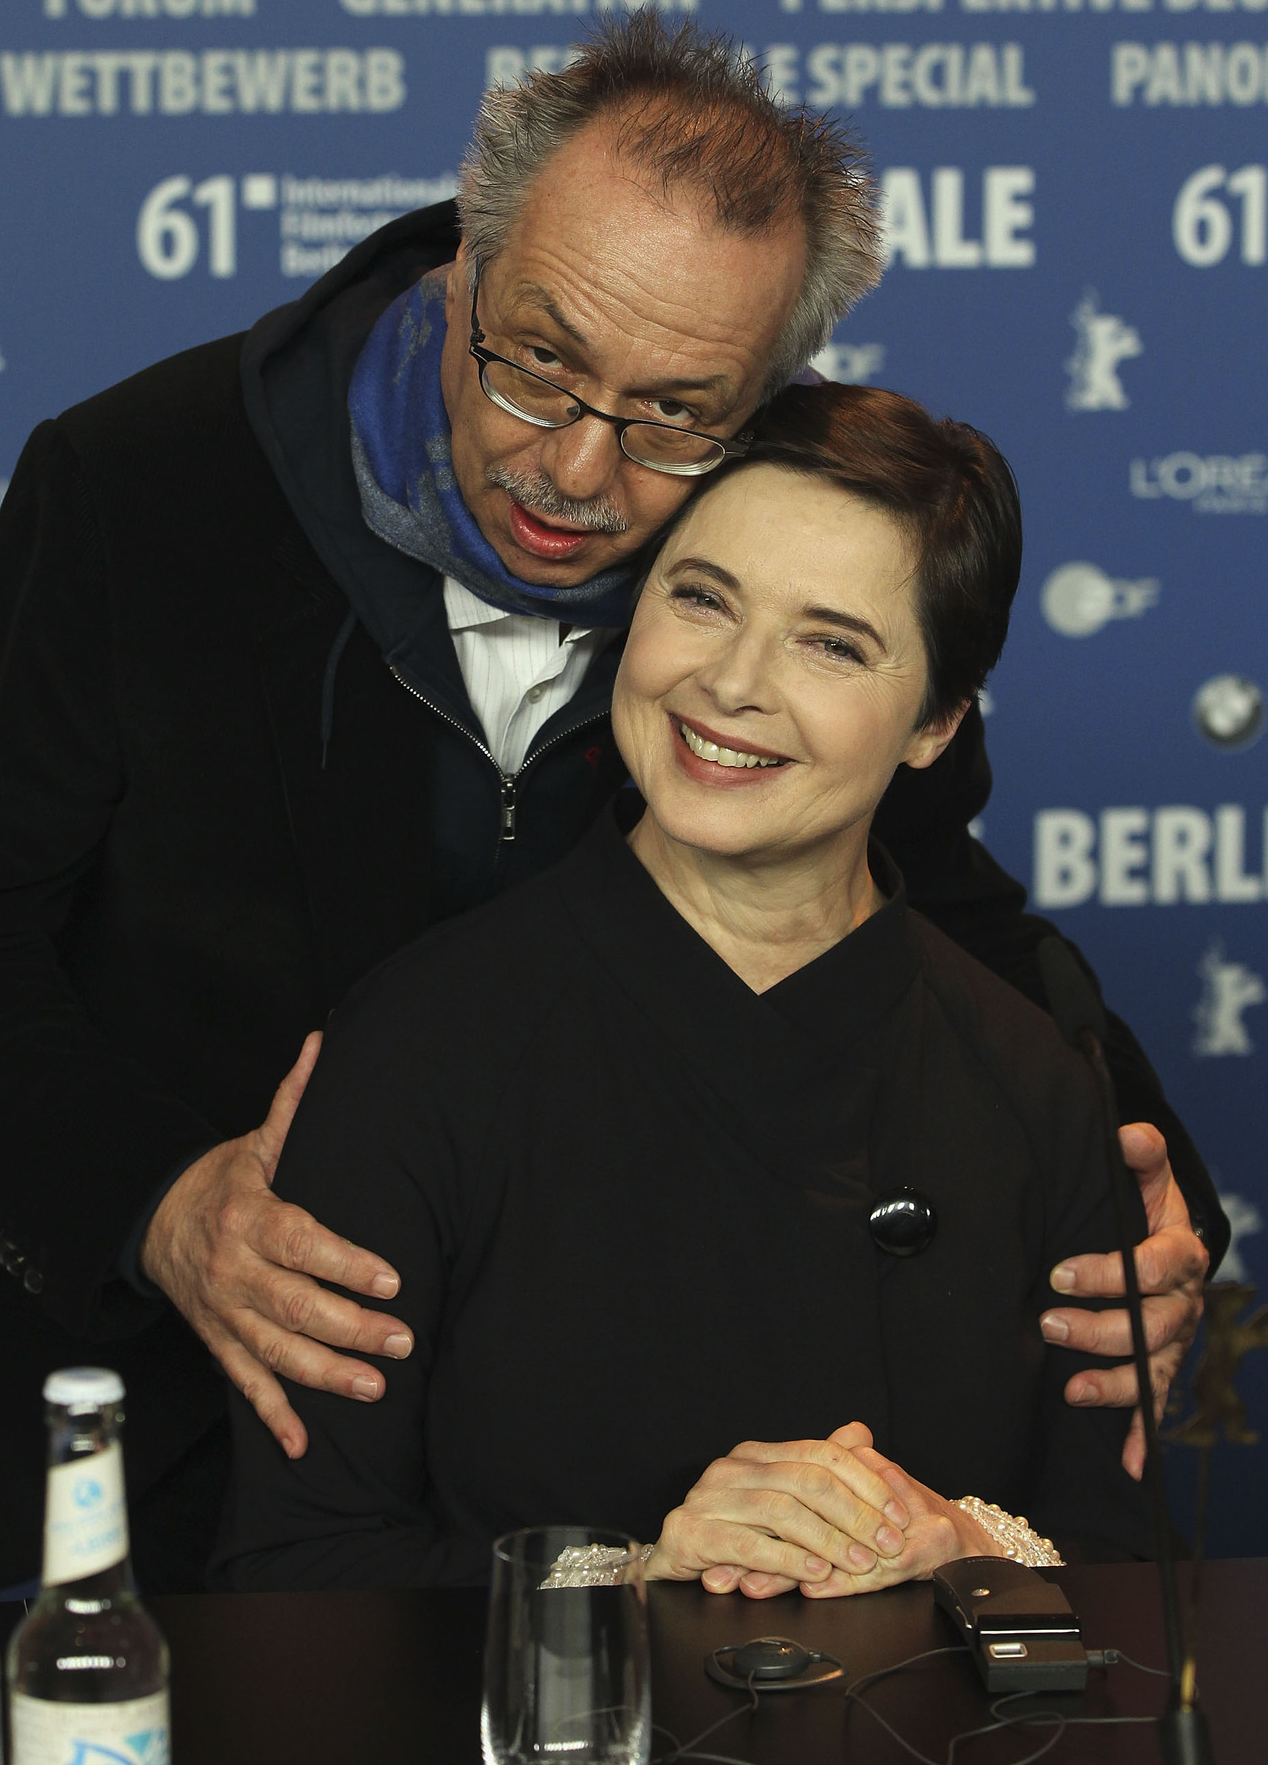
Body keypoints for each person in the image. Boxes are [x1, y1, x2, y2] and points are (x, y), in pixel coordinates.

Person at [0, 15, 1215, 1595]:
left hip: (524, 1478)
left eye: (674, 413)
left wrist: (1139, 1203)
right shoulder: (142, 485)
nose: (573, 466)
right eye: (536, 360)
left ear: (765, 390)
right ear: (462, 263)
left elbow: (931, 912)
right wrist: (151, 1203)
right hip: (99, 1415)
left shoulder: (764, 567)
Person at [214, 383, 1154, 1592]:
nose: (732, 683)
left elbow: (1124, 1584)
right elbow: (293, 1573)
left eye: (831, 642)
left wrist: (958, 1547)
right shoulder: (418, 1041)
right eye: (701, 597)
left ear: (934, 721)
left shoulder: (1031, 1080)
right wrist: (636, 1578)